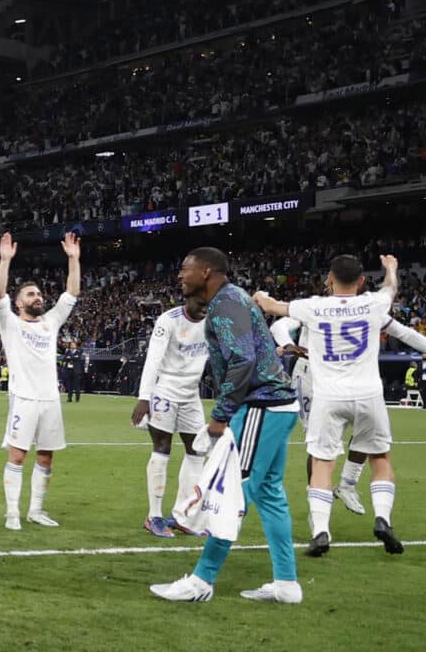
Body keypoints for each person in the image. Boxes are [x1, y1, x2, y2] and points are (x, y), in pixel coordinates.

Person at [151, 247, 301, 604]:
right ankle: (287, 583)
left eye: (185, 268)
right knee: (270, 494)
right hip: (277, 406)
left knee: (232, 492)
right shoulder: (230, 300)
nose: (180, 275)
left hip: (261, 407)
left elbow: (243, 361)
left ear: (206, 272)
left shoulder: (224, 304)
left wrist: (221, 414)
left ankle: (201, 581)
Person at [253, 254, 402, 556]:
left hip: (329, 395)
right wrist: (391, 268)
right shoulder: (374, 303)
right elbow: (390, 288)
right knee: (380, 457)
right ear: (361, 281)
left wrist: (260, 295)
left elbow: (271, 307)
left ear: (330, 279)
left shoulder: (314, 306)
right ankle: (383, 519)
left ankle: (321, 531)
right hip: (369, 393)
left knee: (322, 462)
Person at [0, 231, 80, 531]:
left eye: (39, 293)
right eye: (30, 294)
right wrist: (5, 262)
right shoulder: (10, 324)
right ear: (18, 303)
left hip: (50, 400)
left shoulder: (50, 322)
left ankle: (36, 511)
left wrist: (73, 259)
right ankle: (12, 513)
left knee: (46, 457)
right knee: (17, 455)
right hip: (24, 399)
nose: (38, 297)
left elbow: (71, 294)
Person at [131, 297, 209, 539]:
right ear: (189, 300)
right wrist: (145, 396)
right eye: (201, 302)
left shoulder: (214, 321)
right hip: (165, 391)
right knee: (162, 448)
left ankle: (182, 515)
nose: (205, 306)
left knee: (197, 450)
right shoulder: (169, 320)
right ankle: (154, 516)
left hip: (191, 394)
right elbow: (153, 358)